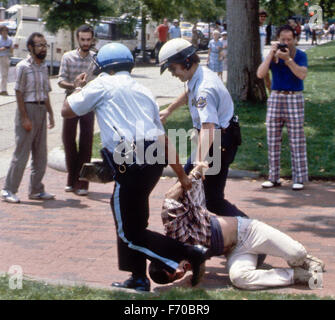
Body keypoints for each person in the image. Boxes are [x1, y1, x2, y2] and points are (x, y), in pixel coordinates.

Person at [61, 42, 209, 292]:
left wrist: (77, 88)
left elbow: (67, 110)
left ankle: (189, 254)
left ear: (104, 67)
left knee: (129, 231)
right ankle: (138, 277)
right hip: (152, 161)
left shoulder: (101, 84)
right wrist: (181, 174)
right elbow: (162, 138)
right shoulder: (144, 90)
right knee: (133, 219)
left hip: (129, 163)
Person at [148, 173, 325, 290]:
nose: (180, 273)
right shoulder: (187, 261)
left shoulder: (174, 231)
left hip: (249, 231)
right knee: (239, 279)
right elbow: (199, 266)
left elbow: (169, 198)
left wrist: (191, 175)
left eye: (174, 272)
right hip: (236, 251)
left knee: (297, 253)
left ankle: (305, 259)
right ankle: (297, 275)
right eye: (176, 278)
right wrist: (188, 281)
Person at [159, 38, 243, 217]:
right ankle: (195, 234)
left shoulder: (205, 89)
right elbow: (189, 92)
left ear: (186, 62)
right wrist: (169, 110)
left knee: (211, 200)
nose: (172, 74)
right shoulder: (198, 75)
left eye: (173, 68)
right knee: (185, 187)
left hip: (218, 141)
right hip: (216, 139)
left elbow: (208, 128)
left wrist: (198, 164)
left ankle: (248, 230)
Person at [1, 32, 55, 203]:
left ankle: (36, 189)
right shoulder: (23, 66)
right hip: (28, 109)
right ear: (30, 48)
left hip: (41, 110)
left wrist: (51, 114)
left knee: (41, 154)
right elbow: (18, 92)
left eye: (45, 45)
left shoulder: (44, 67)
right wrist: (24, 117)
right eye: (39, 45)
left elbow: (46, 92)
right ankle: (8, 190)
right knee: (22, 153)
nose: (43, 48)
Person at [257, 25, 308, 191]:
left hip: (294, 97)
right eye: (283, 40)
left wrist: (288, 60)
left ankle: (299, 178)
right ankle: (273, 177)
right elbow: (260, 73)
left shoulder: (300, 55)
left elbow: (302, 74)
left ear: (295, 40)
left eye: (289, 40)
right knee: (272, 138)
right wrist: (270, 54)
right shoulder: (273, 55)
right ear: (277, 40)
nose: (286, 43)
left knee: (297, 139)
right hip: (276, 96)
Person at [58, 25, 96, 196]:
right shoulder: (68, 57)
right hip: (71, 101)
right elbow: (60, 80)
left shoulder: (96, 59)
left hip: (88, 102)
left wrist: (88, 85)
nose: (86, 43)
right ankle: (71, 178)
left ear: (92, 39)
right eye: (83, 39)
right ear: (77, 39)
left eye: (88, 39)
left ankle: (83, 183)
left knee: (86, 141)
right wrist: (74, 85)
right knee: (68, 139)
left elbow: (99, 81)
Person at [259, 9, 271, 92]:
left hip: (261, 54)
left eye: (264, 16)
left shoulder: (263, 28)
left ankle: (271, 94)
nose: (262, 18)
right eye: (260, 16)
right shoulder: (254, 28)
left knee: (267, 75)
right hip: (256, 56)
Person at [0, 25, 13, 96]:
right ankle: (3, 90)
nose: (4, 32)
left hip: (7, 57)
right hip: (1, 57)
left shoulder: (10, 40)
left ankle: (3, 89)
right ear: (1, 32)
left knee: (5, 74)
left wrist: (11, 49)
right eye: (3, 31)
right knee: (3, 74)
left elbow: (11, 50)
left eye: (6, 31)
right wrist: (3, 48)